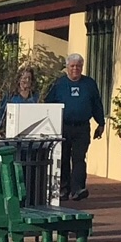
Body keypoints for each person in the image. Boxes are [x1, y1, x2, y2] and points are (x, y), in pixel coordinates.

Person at [46, 53, 106, 202]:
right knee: (64, 158)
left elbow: (97, 104)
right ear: (67, 67)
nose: (75, 69)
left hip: (82, 127)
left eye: (78, 66)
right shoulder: (59, 84)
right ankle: (63, 190)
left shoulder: (89, 84)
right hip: (63, 126)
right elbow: (48, 104)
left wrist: (101, 123)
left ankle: (78, 189)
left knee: (79, 158)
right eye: (72, 66)